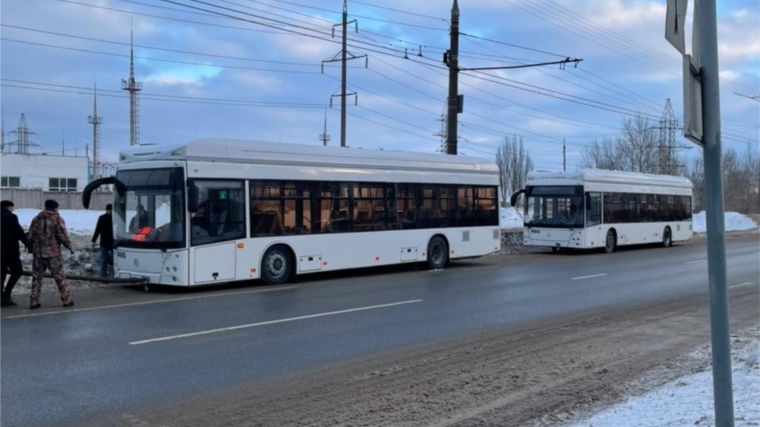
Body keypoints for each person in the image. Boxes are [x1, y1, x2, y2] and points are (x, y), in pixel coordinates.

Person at [27, 199, 74, 309]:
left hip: (38, 253)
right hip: (53, 254)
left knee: (36, 278)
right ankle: (66, 300)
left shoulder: (36, 219)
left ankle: (34, 301)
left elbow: (30, 236)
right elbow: (62, 235)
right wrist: (70, 247)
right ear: (55, 208)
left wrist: (32, 247)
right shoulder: (57, 219)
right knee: (59, 277)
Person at [1, 200, 29, 307]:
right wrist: (26, 241)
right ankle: (6, 295)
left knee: (1, 274)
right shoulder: (11, 217)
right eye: (12, 208)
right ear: (9, 207)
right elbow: (18, 232)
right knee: (17, 272)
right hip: (10, 251)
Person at [91, 204, 114, 278]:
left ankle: (114, 274)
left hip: (113, 243)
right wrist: (94, 240)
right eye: (109, 210)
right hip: (104, 242)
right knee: (104, 259)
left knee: (115, 260)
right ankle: (103, 275)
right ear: (106, 210)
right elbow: (97, 230)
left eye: (111, 210)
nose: (110, 211)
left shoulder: (114, 218)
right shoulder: (102, 218)